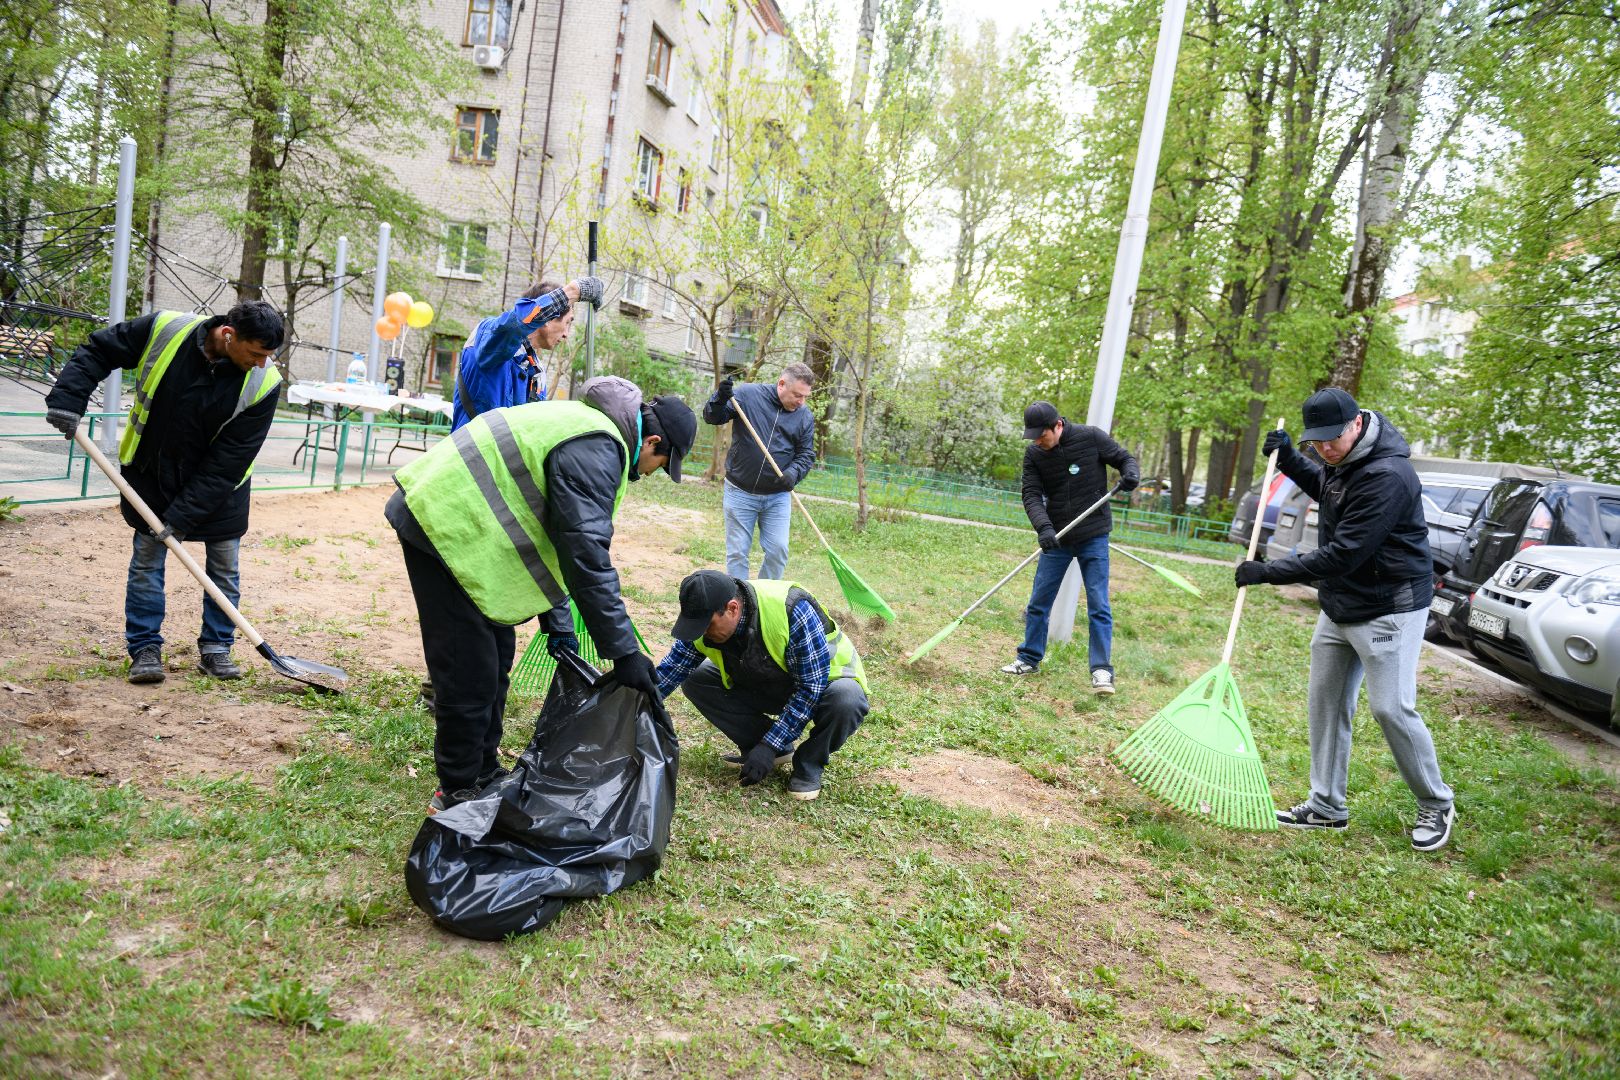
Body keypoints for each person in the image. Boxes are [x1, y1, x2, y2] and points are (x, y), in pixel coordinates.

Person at [386, 375, 696, 815]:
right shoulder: (599, 448)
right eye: (661, 465)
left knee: (495, 660)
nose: (651, 475)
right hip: (442, 526)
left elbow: (556, 538)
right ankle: (457, 790)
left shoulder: (591, 432)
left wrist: (560, 625)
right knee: (469, 670)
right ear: (653, 442)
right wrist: (624, 653)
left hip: (469, 537)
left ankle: (484, 772)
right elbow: (584, 553)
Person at [1235, 387, 1456, 852]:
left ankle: (1436, 803)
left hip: (1388, 607)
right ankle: (1326, 806)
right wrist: (1292, 458)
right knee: (1327, 702)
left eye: (1330, 441)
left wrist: (1268, 572)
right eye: (1316, 442)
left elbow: (1345, 553)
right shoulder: (1343, 461)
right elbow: (1328, 488)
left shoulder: (1388, 475)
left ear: (1357, 424)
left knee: (1391, 708)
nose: (1325, 450)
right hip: (1341, 605)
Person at [43, 301, 285, 684]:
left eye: (267, 356)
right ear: (228, 334)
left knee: (224, 568)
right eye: (256, 353)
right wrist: (67, 399)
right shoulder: (165, 329)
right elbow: (100, 349)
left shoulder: (264, 383)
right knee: (147, 562)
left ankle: (217, 649)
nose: (261, 363)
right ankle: (144, 648)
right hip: (151, 476)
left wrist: (181, 518)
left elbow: (228, 461)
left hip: (220, 490)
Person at [654, 569, 868, 801]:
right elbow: (671, 671)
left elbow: (810, 688)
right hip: (766, 681)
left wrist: (769, 745)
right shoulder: (704, 618)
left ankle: (808, 764)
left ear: (732, 608)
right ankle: (775, 749)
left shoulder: (791, 609)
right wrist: (631, 706)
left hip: (821, 685)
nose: (702, 634)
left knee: (847, 699)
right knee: (697, 677)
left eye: (708, 625)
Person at [1002, 401, 1139, 693]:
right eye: (1034, 435)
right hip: (1058, 536)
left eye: (1043, 434)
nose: (1039, 440)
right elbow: (1031, 494)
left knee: (1099, 605)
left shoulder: (1091, 437)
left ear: (1058, 426)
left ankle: (1102, 671)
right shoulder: (1035, 454)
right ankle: (1029, 658)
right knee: (1039, 601)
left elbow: (1124, 458)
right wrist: (1045, 528)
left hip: (1094, 534)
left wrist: (1131, 474)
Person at [702, 362, 816, 579]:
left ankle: (764, 599)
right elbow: (713, 417)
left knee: (778, 551)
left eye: (805, 397)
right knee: (737, 553)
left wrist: (793, 473)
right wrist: (719, 398)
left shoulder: (804, 416)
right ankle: (741, 605)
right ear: (781, 384)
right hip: (740, 492)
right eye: (797, 395)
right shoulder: (747, 395)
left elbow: (806, 455)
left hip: (777, 497)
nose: (801, 402)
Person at [450, 276, 603, 432]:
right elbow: (514, 325)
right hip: (471, 455)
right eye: (567, 323)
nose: (566, 334)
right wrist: (573, 291)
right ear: (547, 319)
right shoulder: (488, 336)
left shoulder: (536, 372)